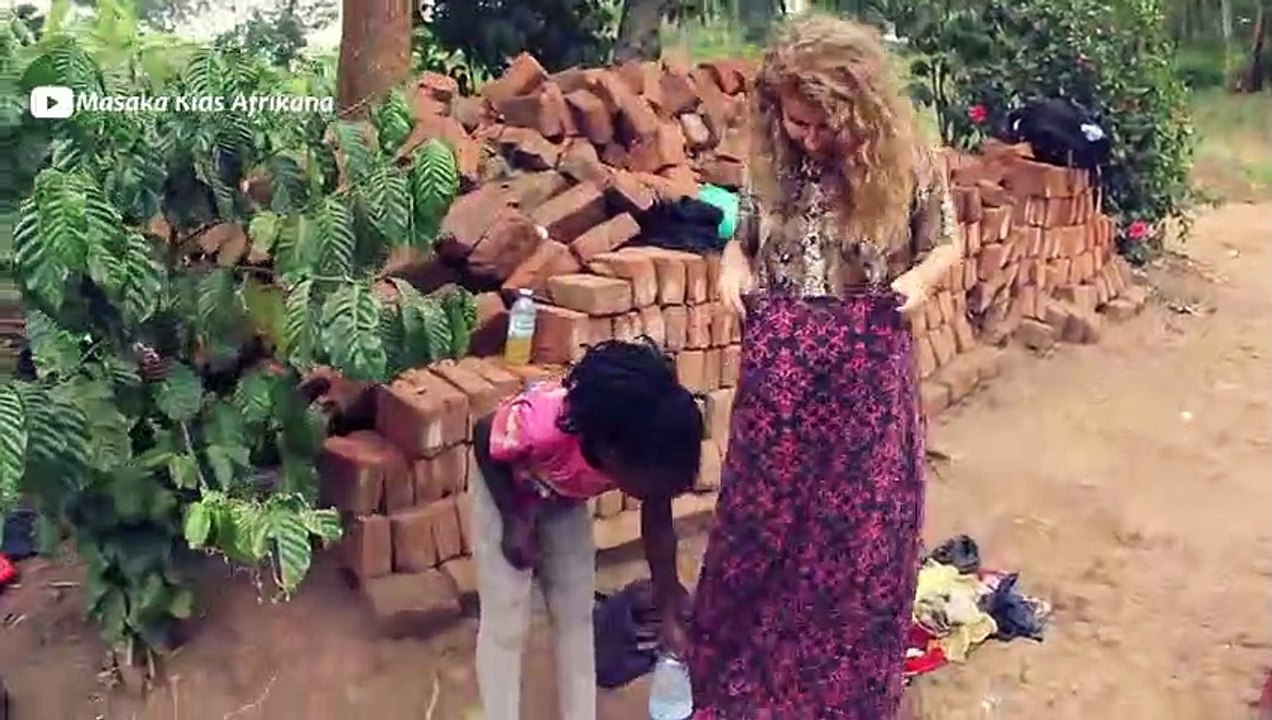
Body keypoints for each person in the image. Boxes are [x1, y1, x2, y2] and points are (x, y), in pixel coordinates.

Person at [687, 15, 962, 719]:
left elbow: (946, 245)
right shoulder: (770, 161)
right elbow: (740, 243)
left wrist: (920, 284)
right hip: (778, 371)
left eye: (819, 125)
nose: (806, 138)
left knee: (854, 539)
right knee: (761, 526)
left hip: (867, 371)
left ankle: (837, 696)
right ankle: (748, 684)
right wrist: (731, 271)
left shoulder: (909, 160)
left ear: (857, 109)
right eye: (795, 123)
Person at [470, 338, 703, 720]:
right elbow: (484, 435)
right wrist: (514, 520)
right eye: (656, 486)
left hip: (563, 498)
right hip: (506, 489)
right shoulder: (545, 425)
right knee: (507, 621)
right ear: (612, 455)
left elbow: (658, 526)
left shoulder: (649, 445)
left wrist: (669, 608)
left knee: (575, 614)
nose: (660, 494)